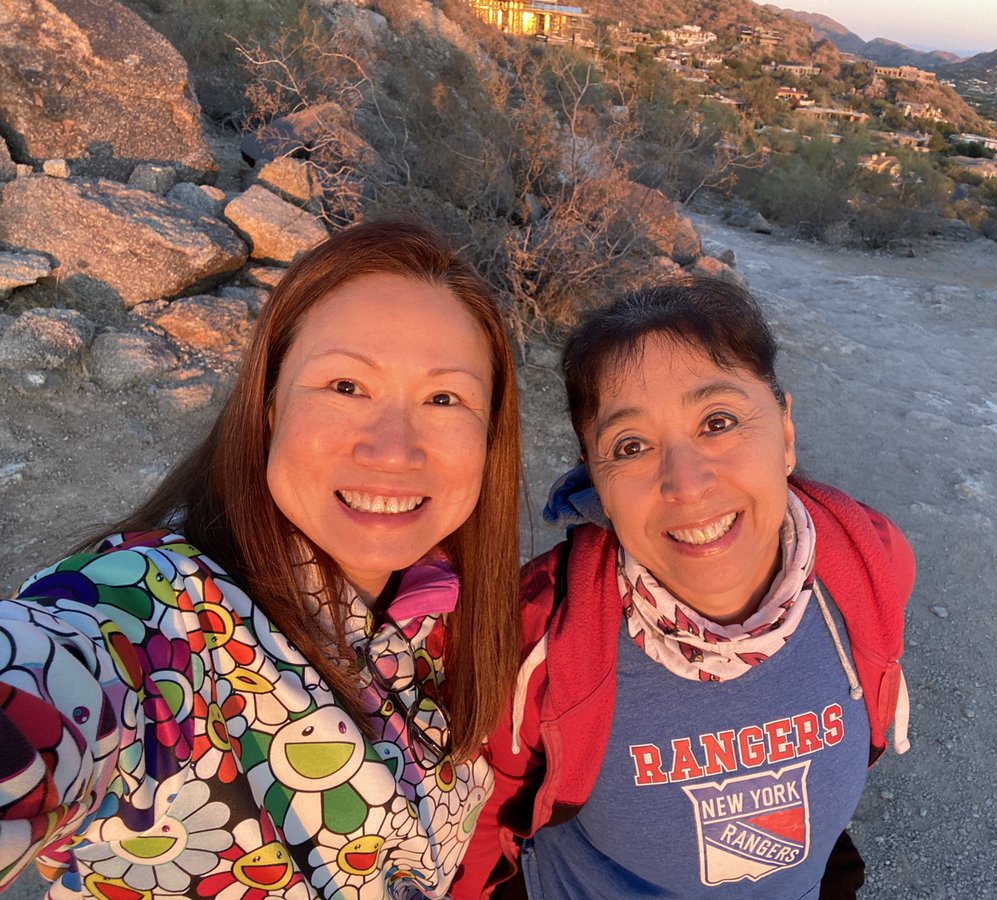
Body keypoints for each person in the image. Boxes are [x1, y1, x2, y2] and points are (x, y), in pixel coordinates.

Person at [0, 219, 523, 899]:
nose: (394, 449)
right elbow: (46, 679)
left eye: (444, 398)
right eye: (345, 386)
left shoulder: (457, 616)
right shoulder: (158, 618)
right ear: (268, 403)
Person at [454, 278, 916, 899]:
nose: (687, 483)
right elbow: (481, 817)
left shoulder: (867, 564)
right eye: (632, 445)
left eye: (717, 421)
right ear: (596, 480)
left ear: (784, 432)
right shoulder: (539, 634)